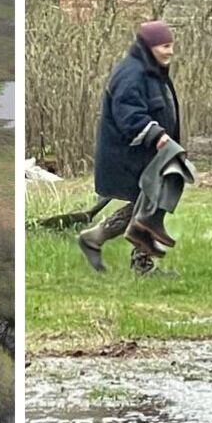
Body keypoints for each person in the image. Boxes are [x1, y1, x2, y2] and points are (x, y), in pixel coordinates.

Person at [79, 20, 183, 273]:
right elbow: (129, 114)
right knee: (150, 201)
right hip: (128, 153)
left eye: (171, 46)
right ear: (149, 46)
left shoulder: (151, 69)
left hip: (147, 152)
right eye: (164, 46)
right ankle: (141, 264)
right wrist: (157, 135)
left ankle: (95, 238)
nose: (170, 51)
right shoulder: (131, 73)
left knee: (147, 201)